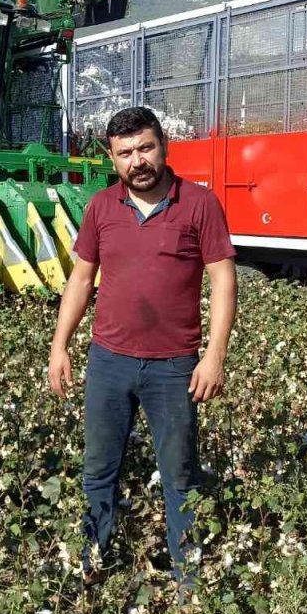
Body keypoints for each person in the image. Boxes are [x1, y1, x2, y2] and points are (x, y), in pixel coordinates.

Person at [47, 106, 238, 588]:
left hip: (174, 367)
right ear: (112, 159)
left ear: (163, 146)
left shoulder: (198, 203)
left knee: (179, 476)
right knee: (98, 469)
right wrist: (60, 344)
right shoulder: (101, 207)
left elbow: (222, 279)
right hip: (109, 361)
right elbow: (82, 278)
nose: (138, 161)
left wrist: (214, 354)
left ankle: (187, 579)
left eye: (145, 148)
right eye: (125, 153)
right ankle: (93, 564)